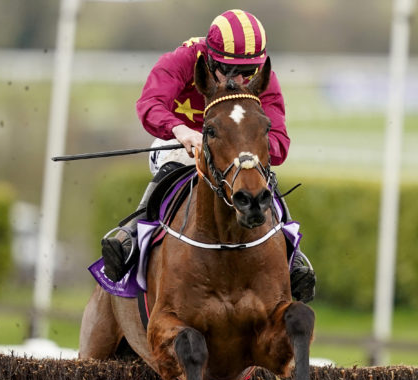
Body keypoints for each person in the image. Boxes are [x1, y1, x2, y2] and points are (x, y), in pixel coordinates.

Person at [100, 8, 316, 303]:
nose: (240, 79)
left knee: (262, 180)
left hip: (234, 157)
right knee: (174, 165)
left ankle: (294, 259)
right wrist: (179, 129)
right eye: (230, 71)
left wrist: (252, 147)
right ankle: (129, 239)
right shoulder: (183, 60)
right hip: (182, 145)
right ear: (210, 58)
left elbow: (279, 143)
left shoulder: (263, 77)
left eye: (248, 72)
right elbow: (149, 103)